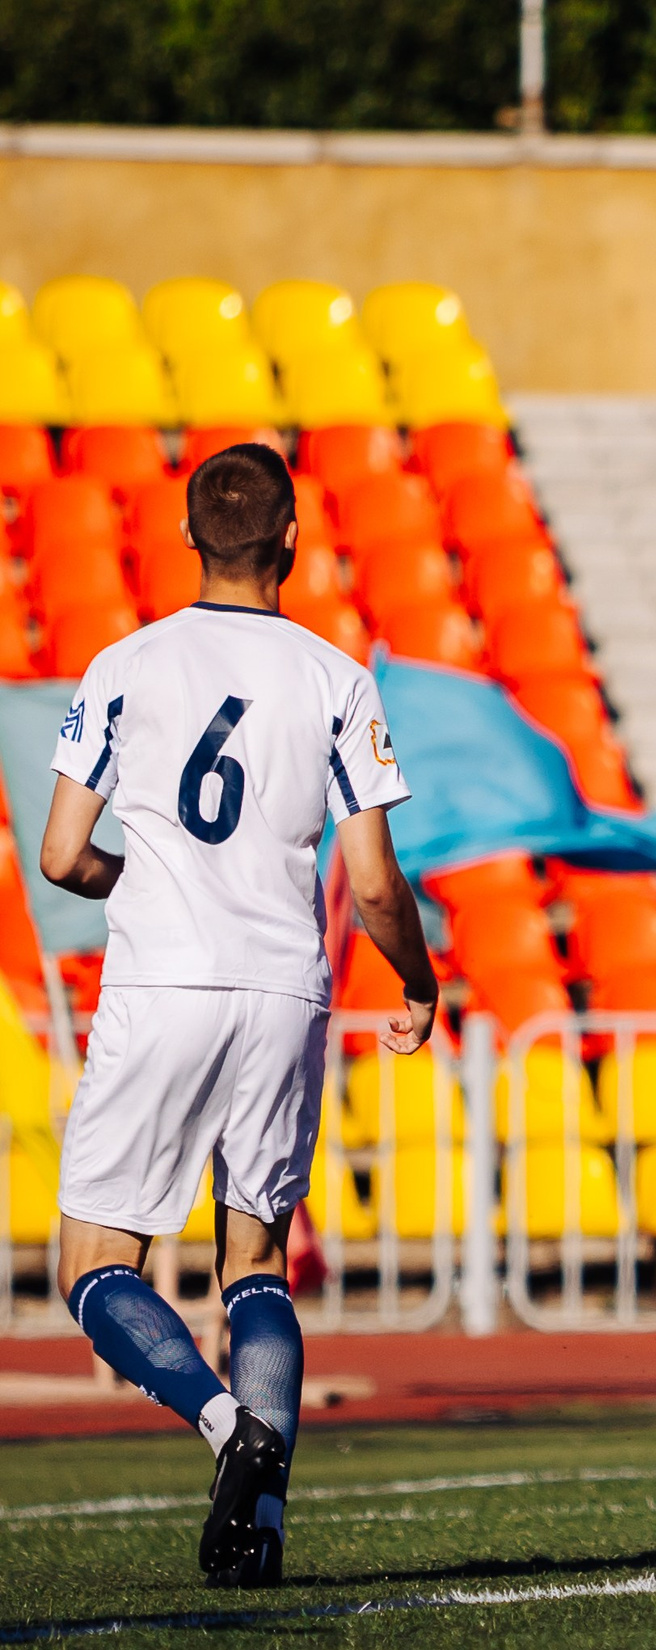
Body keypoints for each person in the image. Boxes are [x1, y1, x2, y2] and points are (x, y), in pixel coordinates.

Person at [39, 444, 436, 1588]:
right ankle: (256, 1528)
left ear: (186, 535)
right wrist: (419, 982)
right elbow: (370, 883)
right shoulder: (336, 676)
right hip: (281, 986)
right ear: (294, 539)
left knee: (96, 1258)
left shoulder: (123, 662)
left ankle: (224, 1424)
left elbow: (64, 853)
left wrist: (147, 885)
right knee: (254, 1260)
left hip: (162, 976)